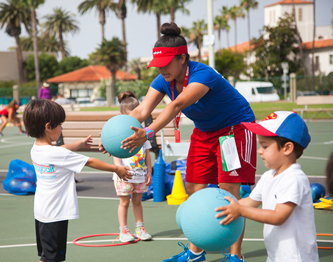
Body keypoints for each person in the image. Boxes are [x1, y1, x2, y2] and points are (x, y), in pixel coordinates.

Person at [118, 22, 256, 262]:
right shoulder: (163, 79)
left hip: (234, 131)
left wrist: (148, 133)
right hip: (205, 131)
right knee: (194, 188)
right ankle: (195, 253)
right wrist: (112, 135)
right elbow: (140, 112)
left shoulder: (203, 74)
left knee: (229, 192)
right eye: (157, 65)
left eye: (166, 63)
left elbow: (177, 105)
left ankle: (236, 256)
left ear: (183, 58)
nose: (161, 69)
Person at [23, 99, 132, 262]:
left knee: (48, 256)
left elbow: (58, 150)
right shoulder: (56, 154)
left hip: (42, 212)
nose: (61, 127)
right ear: (48, 127)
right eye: (60, 124)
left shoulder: (36, 149)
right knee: (51, 258)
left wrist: (79, 144)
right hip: (55, 214)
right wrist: (117, 169)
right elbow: (89, 161)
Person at [216, 111, 319, 262]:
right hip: (275, 255)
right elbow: (248, 202)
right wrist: (216, 205)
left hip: (297, 257)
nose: (259, 151)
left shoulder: (294, 179)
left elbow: (279, 216)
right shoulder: (268, 176)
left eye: (264, 146)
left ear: (287, 148)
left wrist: (240, 210)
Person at [113, 91, 153, 243]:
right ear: (121, 115)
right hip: (124, 175)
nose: (134, 122)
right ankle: (124, 231)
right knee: (124, 202)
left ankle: (140, 228)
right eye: (130, 118)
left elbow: (147, 153)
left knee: (137, 201)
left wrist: (149, 170)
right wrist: (118, 167)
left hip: (140, 175)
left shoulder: (142, 133)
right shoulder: (119, 134)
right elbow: (116, 151)